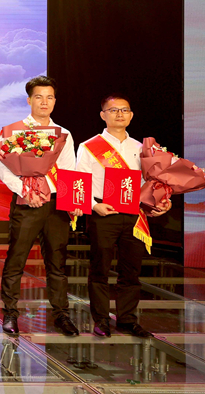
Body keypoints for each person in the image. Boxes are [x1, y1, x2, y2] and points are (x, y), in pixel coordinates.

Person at [0, 76, 80, 337]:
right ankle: (10, 313)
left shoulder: (64, 134)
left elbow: (69, 169)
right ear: (29, 100)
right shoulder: (14, 131)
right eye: (39, 97)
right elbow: (0, 165)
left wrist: (74, 201)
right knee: (16, 258)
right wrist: (25, 190)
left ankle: (61, 314)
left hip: (56, 204)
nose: (45, 102)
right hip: (26, 202)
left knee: (57, 261)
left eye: (50, 97)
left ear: (55, 101)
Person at [76, 93, 161, 339]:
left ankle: (127, 320)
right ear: (103, 115)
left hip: (134, 214)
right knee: (100, 269)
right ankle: (101, 320)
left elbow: (150, 183)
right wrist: (94, 206)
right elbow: (80, 181)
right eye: (113, 110)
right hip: (103, 213)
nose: (120, 114)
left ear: (131, 115)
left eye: (124, 110)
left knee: (131, 270)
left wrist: (159, 202)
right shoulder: (89, 146)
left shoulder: (142, 149)